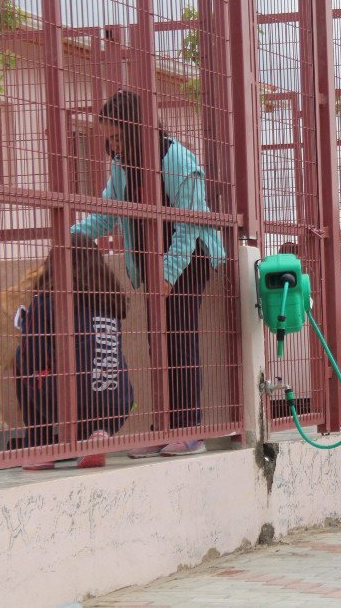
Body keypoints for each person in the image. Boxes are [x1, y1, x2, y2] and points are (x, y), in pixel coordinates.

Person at [72, 90, 226, 458]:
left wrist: (168, 277)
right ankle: (165, 427)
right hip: (153, 259)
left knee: (179, 332)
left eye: (118, 137)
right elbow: (109, 212)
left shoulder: (177, 161)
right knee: (159, 342)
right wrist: (73, 235)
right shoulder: (122, 167)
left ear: (136, 128)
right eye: (108, 139)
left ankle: (190, 431)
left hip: (190, 257)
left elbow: (189, 228)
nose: (113, 146)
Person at [15, 234, 135, 469]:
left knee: (21, 356)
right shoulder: (110, 301)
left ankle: (41, 445)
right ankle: (99, 433)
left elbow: (33, 353)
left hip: (72, 402)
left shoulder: (48, 300)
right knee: (102, 362)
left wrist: (26, 324)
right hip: (119, 402)